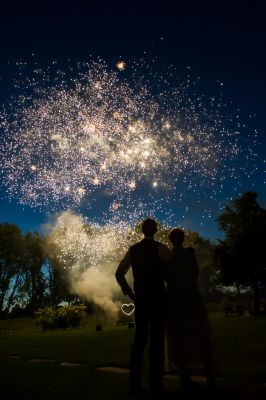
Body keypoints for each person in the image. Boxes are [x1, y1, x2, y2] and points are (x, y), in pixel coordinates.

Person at [115, 218, 171, 399]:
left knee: (139, 342)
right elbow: (172, 272)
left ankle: (135, 384)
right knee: (157, 343)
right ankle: (156, 383)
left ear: (142, 231)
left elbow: (119, 273)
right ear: (155, 230)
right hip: (158, 300)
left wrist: (130, 293)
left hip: (141, 301)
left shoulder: (133, 250)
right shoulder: (162, 249)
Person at [166, 228, 216, 391]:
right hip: (192, 296)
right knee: (200, 331)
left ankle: (184, 374)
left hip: (176, 299)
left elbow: (166, 277)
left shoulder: (169, 257)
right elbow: (195, 274)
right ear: (183, 238)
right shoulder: (189, 254)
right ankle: (210, 373)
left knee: (178, 335)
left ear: (171, 241)